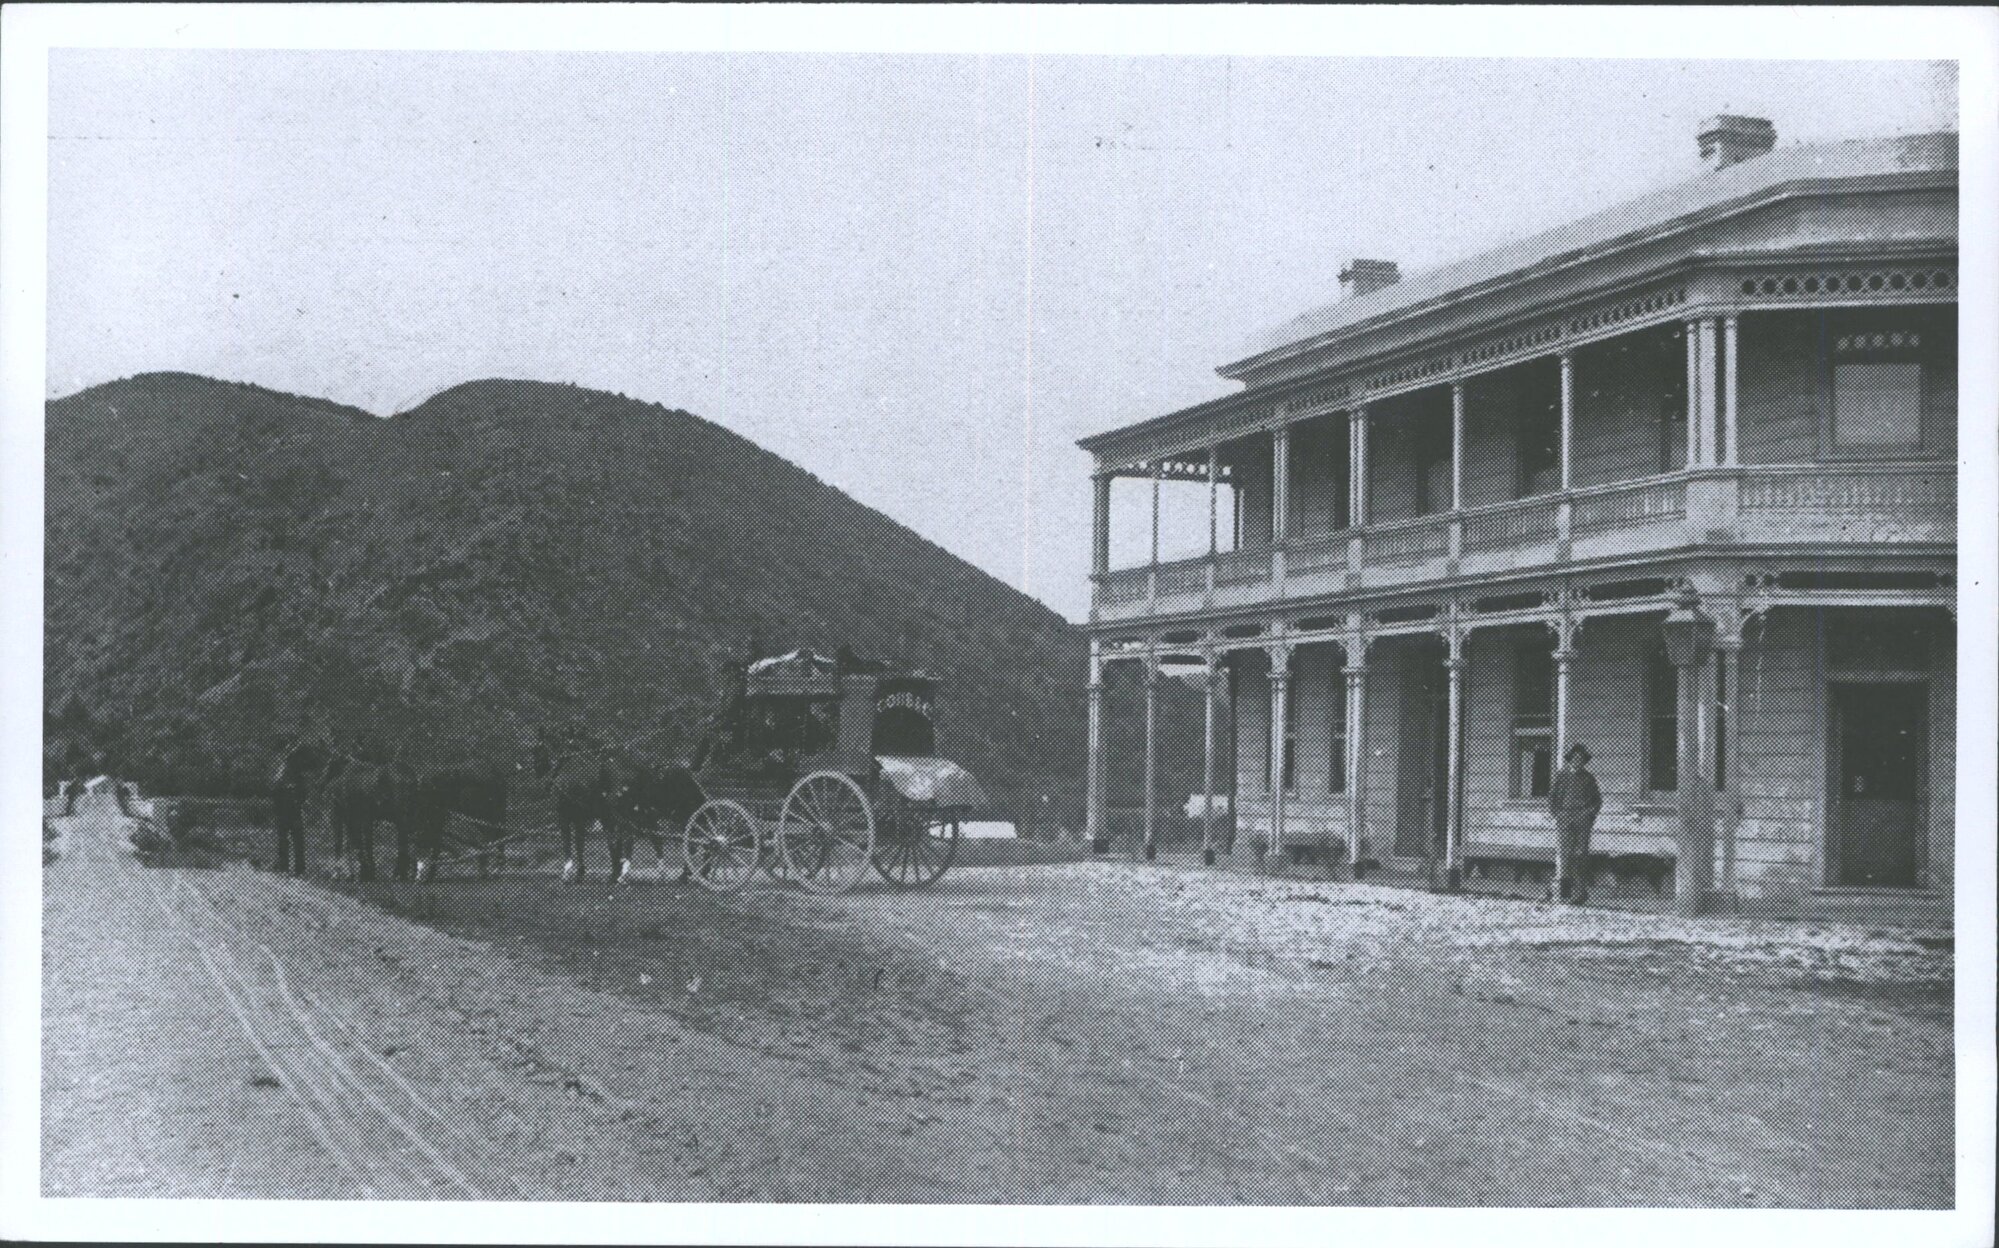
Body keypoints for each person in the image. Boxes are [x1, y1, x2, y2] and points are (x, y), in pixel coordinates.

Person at [1548, 743, 1602, 904]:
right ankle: (1564, 893)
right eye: (1575, 758)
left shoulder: (1588, 778)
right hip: (1565, 818)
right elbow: (1552, 798)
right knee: (1565, 855)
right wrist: (1558, 815)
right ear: (1570, 759)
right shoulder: (1561, 776)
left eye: (1581, 759)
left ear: (1584, 761)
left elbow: (1597, 801)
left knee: (1580, 855)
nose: (1578, 761)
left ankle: (1580, 893)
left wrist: (1589, 815)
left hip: (1582, 820)